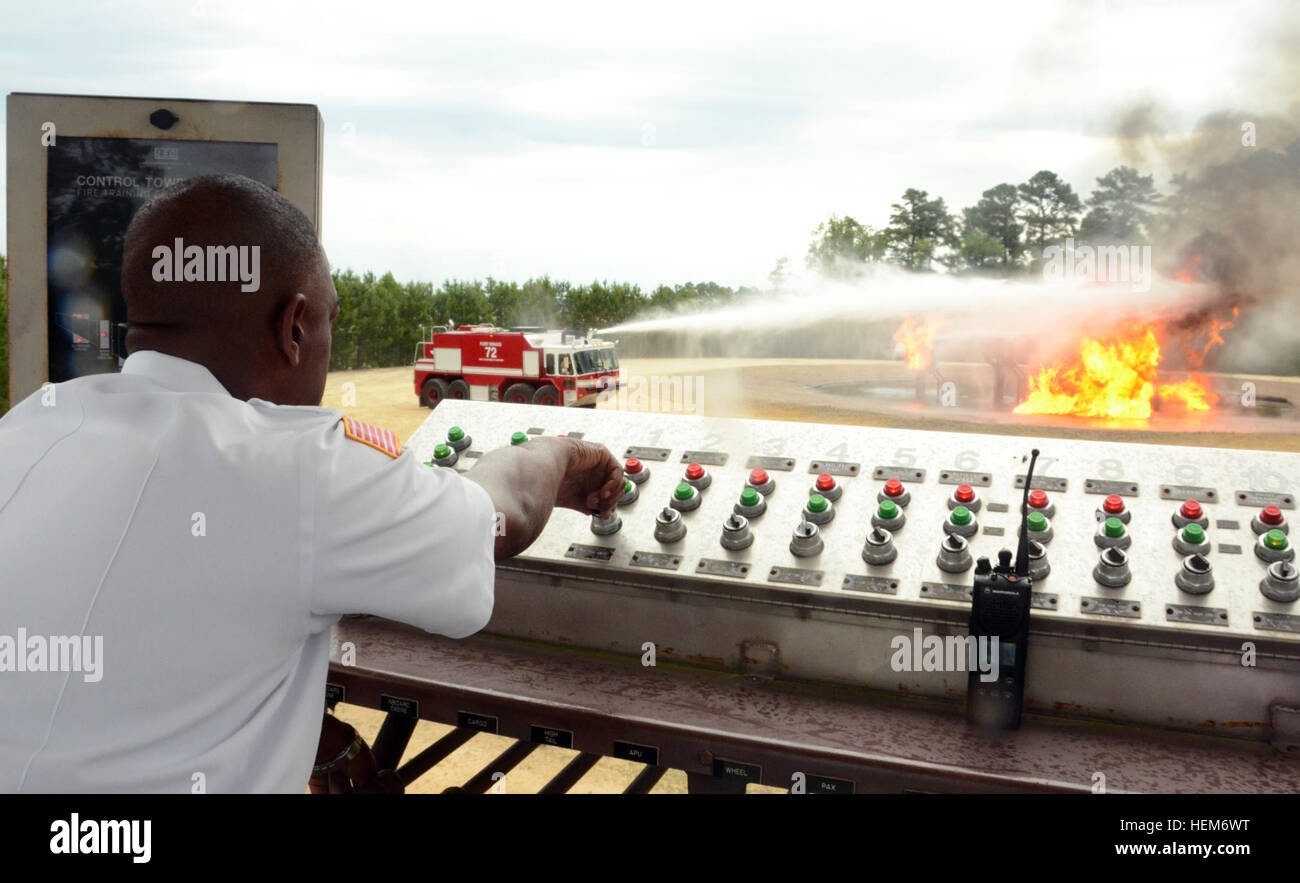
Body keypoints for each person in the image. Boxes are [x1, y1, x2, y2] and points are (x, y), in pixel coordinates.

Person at [0, 174, 623, 793]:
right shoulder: (300, 464)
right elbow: (502, 515)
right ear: (294, 327)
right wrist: (557, 451)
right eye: (330, 319)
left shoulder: (30, 424)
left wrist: (302, 727)